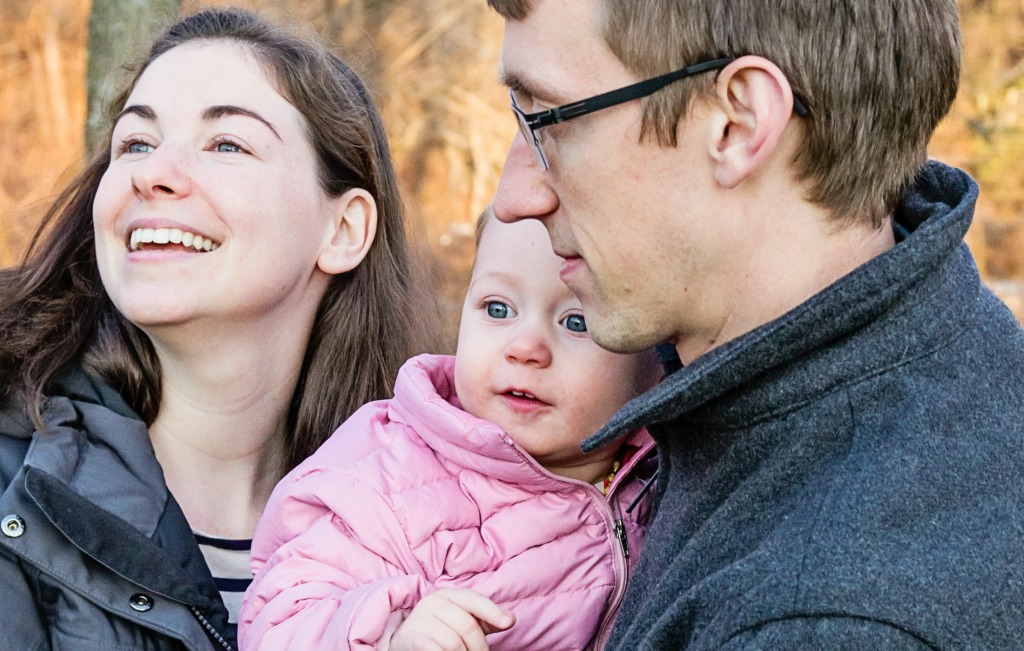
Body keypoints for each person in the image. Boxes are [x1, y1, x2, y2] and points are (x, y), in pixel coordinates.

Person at [486, 0, 1024, 649]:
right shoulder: (947, 338)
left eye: (546, 119)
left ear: (739, 123)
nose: (514, 197)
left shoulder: (815, 623)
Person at [0, 8, 433, 650]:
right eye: (135, 144)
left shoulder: (442, 532)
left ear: (343, 231)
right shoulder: (12, 491)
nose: (151, 172)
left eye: (227, 144)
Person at [239, 211, 663, 650]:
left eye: (576, 321)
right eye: (498, 309)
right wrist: (391, 639)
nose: (525, 348)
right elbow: (280, 620)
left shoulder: (670, 474)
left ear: (658, 357)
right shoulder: (388, 482)